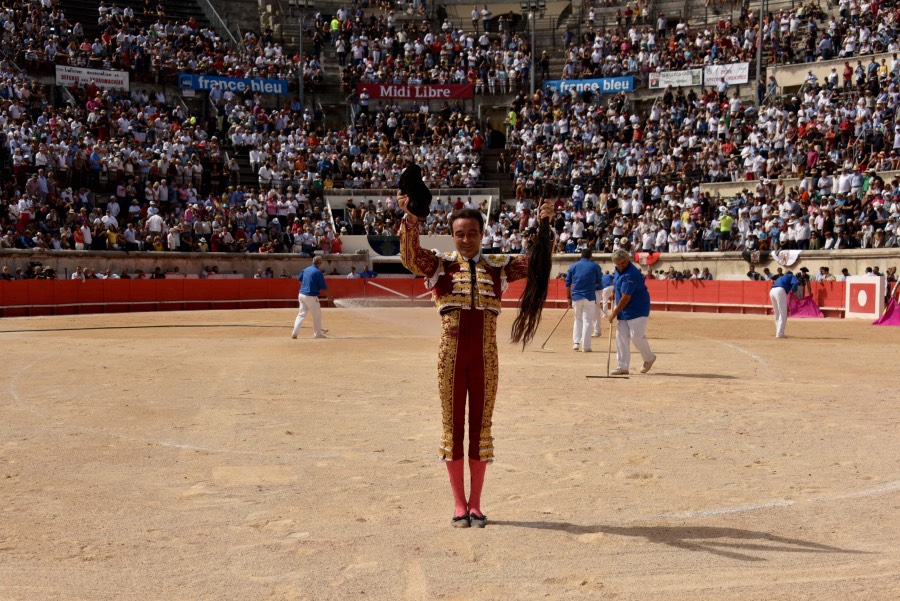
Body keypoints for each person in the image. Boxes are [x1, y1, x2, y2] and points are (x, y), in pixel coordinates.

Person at [398, 193, 553, 529]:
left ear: (482, 234)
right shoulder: (440, 266)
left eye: (471, 233)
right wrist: (411, 219)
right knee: (452, 428)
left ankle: (477, 505)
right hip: (450, 360)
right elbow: (410, 256)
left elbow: (538, 262)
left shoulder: (498, 268)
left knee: (481, 430)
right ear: (452, 236)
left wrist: (544, 227)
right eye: (459, 234)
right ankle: (458, 504)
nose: (466, 239)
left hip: (485, 360)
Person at [607, 249, 656, 375]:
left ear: (627, 260)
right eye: (618, 264)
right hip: (624, 309)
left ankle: (649, 358)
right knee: (621, 336)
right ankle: (622, 366)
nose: (621, 266)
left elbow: (626, 297)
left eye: (623, 263)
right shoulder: (618, 270)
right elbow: (618, 285)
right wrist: (614, 292)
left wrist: (613, 313)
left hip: (637, 307)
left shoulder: (631, 274)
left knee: (636, 336)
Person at [566, 249, 603, 352]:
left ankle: (576, 343)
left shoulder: (573, 266)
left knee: (577, 319)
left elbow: (568, 284)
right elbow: (599, 282)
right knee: (587, 321)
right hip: (589, 296)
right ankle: (586, 346)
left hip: (576, 296)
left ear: (581, 256)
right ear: (590, 256)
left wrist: (568, 298)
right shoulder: (595, 266)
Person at [291, 256, 333, 339]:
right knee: (316, 315)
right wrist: (329, 296)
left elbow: (299, 279)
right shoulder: (318, 272)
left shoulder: (306, 269)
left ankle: (294, 333)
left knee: (301, 314)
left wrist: (304, 286)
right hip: (311, 296)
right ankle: (317, 334)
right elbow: (324, 287)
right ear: (319, 263)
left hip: (301, 294)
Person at [769, 270, 799, 339]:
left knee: (777, 313)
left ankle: (778, 331)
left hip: (772, 291)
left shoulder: (781, 277)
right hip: (780, 291)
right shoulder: (791, 276)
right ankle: (780, 333)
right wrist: (793, 290)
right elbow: (795, 283)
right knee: (783, 314)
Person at [593, 270, 616, 336]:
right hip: (612, 287)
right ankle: (614, 313)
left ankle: (605, 314)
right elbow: (615, 276)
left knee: (605, 301)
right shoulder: (609, 275)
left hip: (605, 288)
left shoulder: (601, 277)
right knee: (614, 301)